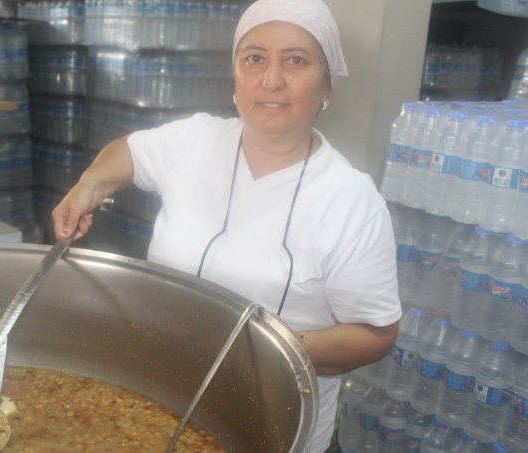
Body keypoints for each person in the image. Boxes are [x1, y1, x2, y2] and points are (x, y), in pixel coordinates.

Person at [51, 0, 402, 451]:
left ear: (326, 86)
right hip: (159, 396)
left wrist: (268, 346)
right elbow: (129, 153)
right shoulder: (195, 139)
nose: (271, 79)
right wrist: (88, 187)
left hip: (274, 421)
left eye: (296, 61)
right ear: (235, 75)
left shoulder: (351, 201)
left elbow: (376, 335)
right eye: (254, 58)